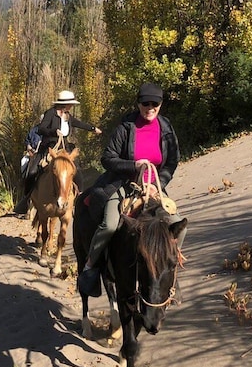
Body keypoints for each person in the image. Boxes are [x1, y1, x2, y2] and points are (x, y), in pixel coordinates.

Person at [78, 82, 187, 295]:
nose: (150, 107)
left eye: (155, 103)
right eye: (145, 103)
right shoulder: (125, 127)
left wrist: (159, 184)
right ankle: (90, 268)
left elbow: (172, 161)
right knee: (109, 225)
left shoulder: (166, 129)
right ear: (138, 104)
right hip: (124, 185)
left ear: (161, 104)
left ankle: (168, 268)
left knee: (178, 225)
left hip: (155, 187)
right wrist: (133, 165)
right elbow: (108, 158)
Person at [14, 90, 102, 214]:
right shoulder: (50, 113)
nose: (72, 106)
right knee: (32, 172)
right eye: (71, 104)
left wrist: (92, 129)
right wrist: (53, 131)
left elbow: (78, 123)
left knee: (76, 171)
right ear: (65, 104)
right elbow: (41, 128)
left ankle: (79, 198)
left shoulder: (67, 116)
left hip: (64, 149)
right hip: (48, 148)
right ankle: (26, 200)